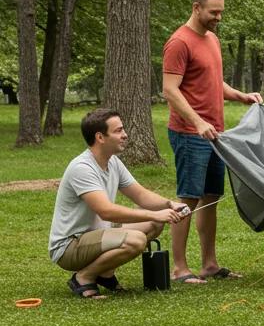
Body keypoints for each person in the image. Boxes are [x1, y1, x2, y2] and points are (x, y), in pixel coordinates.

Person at [162, 0, 262, 284]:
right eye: (213, 12)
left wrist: (241, 96)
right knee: (188, 199)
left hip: (215, 133)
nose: (218, 17)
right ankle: (179, 268)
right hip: (190, 133)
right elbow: (170, 90)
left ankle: (209, 264)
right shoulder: (179, 42)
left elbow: (213, 81)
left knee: (210, 198)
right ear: (196, 8)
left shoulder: (212, 39)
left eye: (221, 12)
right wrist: (197, 122)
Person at [49, 108, 189, 299]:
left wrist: (169, 204)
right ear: (100, 137)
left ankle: (104, 274)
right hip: (69, 246)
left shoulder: (113, 161)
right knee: (136, 240)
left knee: (154, 224)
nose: (125, 135)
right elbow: (106, 211)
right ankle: (84, 277)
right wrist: (155, 213)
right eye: (118, 130)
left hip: (96, 235)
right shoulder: (82, 168)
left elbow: (140, 195)